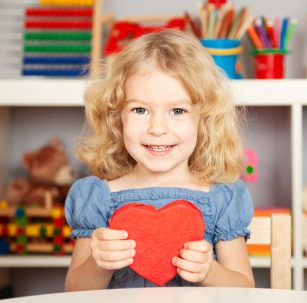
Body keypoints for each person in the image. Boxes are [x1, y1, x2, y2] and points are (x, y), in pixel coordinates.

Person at [64, 29, 254, 291]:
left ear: (204, 119)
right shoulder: (97, 198)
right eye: (140, 110)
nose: (157, 127)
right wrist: (98, 263)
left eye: (178, 110)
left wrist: (210, 271)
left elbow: (245, 290)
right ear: (117, 117)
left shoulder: (223, 199)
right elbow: (74, 292)